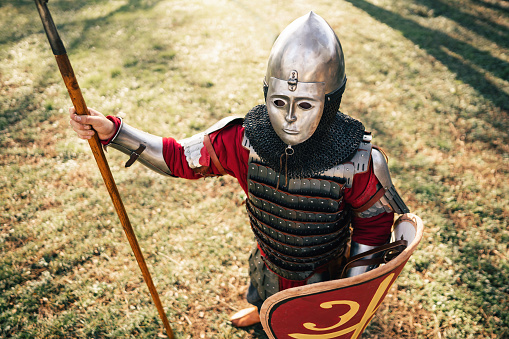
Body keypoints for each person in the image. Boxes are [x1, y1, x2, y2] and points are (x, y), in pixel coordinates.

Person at [69, 12, 409, 327]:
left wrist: (349, 295)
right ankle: (264, 311)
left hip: (325, 275)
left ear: (330, 102)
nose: (290, 117)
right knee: (264, 289)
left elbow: (373, 229)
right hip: (268, 257)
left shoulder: (358, 160)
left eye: (305, 104)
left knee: (309, 326)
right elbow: (178, 158)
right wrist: (115, 132)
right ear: (267, 93)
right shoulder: (241, 139)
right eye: (279, 102)